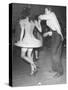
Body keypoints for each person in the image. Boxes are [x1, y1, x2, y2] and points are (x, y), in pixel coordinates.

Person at [39, 8, 64, 77]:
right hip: (54, 35)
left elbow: (41, 17)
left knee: (54, 54)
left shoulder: (52, 14)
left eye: (45, 10)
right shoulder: (50, 17)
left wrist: (39, 17)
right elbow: (54, 28)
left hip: (57, 36)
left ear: (49, 10)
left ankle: (60, 71)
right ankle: (54, 69)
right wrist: (47, 33)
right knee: (54, 53)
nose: (45, 11)